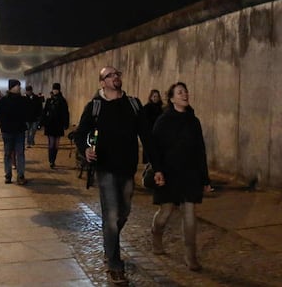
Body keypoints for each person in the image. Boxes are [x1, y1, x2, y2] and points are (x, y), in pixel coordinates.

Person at [74, 66, 155, 285]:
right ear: (102, 82)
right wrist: (86, 149)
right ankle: (115, 266)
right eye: (109, 75)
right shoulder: (95, 106)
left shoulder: (133, 104)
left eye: (117, 73)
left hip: (127, 168)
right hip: (106, 168)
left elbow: (146, 135)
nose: (115, 77)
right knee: (111, 217)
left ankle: (109, 244)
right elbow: (80, 134)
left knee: (124, 213)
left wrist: (157, 166)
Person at [150, 81, 212, 271]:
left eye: (185, 92)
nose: (185, 95)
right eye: (180, 92)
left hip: (190, 174)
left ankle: (190, 255)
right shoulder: (163, 121)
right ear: (171, 99)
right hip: (169, 174)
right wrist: (158, 170)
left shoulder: (194, 121)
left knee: (190, 215)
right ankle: (156, 234)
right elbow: (154, 148)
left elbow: (200, 151)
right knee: (165, 213)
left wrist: (205, 179)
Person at [0, 79, 29, 184]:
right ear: (12, 87)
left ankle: (20, 175)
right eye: (17, 86)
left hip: (18, 131)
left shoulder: (22, 100)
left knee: (19, 153)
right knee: (8, 153)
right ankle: (8, 175)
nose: (19, 88)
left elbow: (28, 113)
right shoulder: (4, 100)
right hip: (8, 131)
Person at [40, 82, 70, 168]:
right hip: (50, 124)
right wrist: (42, 123)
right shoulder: (49, 100)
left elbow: (66, 113)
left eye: (56, 89)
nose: (55, 91)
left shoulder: (63, 101)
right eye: (54, 89)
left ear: (59, 90)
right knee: (51, 143)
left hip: (58, 124)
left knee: (56, 144)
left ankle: (53, 160)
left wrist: (66, 123)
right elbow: (44, 112)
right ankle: (51, 160)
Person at [142, 89, 163, 163]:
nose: (156, 98)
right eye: (154, 96)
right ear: (150, 97)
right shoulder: (146, 108)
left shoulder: (161, 109)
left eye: (157, 96)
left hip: (158, 133)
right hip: (149, 132)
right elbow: (144, 121)